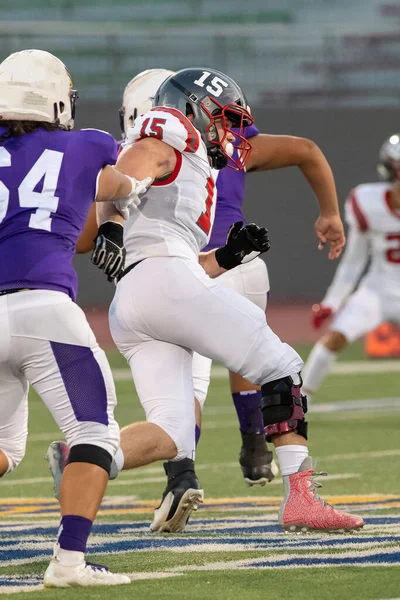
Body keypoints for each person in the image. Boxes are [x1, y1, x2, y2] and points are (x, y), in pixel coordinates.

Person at [93, 67, 363, 535]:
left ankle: (84, 455)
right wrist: (112, 213)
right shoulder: (166, 135)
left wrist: (228, 256)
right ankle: (300, 497)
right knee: (281, 364)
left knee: (172, 434)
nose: (232, 132)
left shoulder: (194, 161)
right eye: (223, 119)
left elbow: (165, 246)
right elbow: (127, 174)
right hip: (164, 284)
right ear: (192, 110)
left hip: (140, 298)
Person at [0, 49, 144, 587]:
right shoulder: (86, 144)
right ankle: (69, 562)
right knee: (96, 434)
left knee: (7, 448)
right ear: (56, 100)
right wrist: (121, 209)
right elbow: (120, 182)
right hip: (45, 309)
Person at [302, 134, 400, 399]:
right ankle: (301, 401)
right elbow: (354, 261)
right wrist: (332, 302)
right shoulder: (367, 202)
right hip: (378, 290)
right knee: (334, 337)